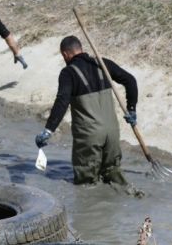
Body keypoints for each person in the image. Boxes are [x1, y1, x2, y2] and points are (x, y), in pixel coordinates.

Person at [35, 35, 138, 186]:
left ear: (65, 54)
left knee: (86, 186)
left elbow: (62, 102)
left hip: (89, 136)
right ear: (80, 49)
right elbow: (130, 80)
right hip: (112, 133)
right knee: (113, 175)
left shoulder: (68, 73)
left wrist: (49, 130)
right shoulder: (103, 64)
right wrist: (131, 109)